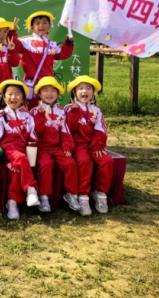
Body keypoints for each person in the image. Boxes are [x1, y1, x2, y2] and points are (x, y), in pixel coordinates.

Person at [0, 80, 40, 220]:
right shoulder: (0, 115)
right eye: (10, 94)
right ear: (4, 97)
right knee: (21, 159)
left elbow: (33, 135)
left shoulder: (27, 115)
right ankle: (31, 189)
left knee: (16, 169)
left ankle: (12, 203)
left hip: (24, 148)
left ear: (23, 98)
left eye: (18, 94)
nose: (13, 97)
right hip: (9, 147)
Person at [29, 77, 80, 214]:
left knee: (70, 163)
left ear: (58, 94)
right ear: (39, 94)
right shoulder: (34, 111)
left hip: (58, 147)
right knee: (46, 165)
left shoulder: (62, 111)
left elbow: (66, 132)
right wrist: (40, 116)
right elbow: (37, 131)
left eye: (53, 91)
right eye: (45, 90)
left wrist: (67, 147)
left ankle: (71, 194)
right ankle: (44, 196)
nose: (49, 94)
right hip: (42, 148)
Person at [65, 76, 113, 216]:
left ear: (93, 92)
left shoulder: (96, 110)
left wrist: (97, 145)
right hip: (77, 145)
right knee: (84, 162)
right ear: (74, 92)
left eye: (88, 88)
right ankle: (83, 196)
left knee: (107, 161)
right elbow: (69, 129)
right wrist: (74, 113)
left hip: (93, 145)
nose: (84, 91)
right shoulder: (69, 108)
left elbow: (101, 129)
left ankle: (100, 193)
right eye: (80, 88)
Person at [11, 11, 74, 109]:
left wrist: (69, 43)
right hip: (31, 84)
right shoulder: (25, 41)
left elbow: (64, 53)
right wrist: (12, 32)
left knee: (47, 111)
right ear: (31, 27)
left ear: (50, 26)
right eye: (37, 23)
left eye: (44, 22)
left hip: (47, 84)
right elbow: (14, 44)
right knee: (29, 111)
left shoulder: (52, 44)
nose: (41, 25)